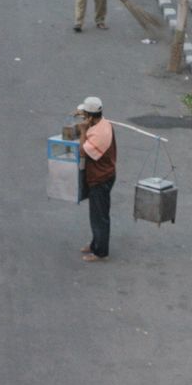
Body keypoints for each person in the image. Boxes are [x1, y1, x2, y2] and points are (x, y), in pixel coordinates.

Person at [76, 96, 115, 262]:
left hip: (101, 178)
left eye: (85, 115)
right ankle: (94, 243)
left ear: (91, 117)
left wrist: (83, 131)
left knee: (100, 216)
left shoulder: (99, 134)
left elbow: (82, 151)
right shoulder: (103, 122)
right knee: (95, 214)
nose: (84, 118)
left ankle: (100, 251)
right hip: (101, 176)